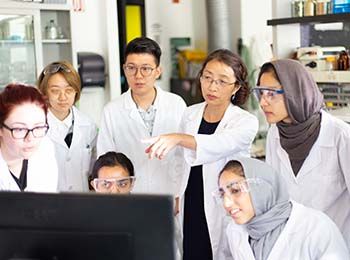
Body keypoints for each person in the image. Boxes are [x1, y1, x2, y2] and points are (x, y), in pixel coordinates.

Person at [145, 49, 259, 260]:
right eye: (207, 77)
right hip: (191, 199)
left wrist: (177, 137)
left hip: (225, 203)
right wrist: (177, 194)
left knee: (219, 250)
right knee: (192, 250)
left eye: (222, 81)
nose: (212, 86)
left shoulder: (245, 122)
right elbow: (180, 160)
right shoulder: (190, 113)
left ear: (236, 87)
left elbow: (218, 144)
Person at [252, 59, 350, 248]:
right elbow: (277, 196)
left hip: (335, 247)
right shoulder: (275, 134)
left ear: (295, 91)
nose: (263, 102)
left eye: (271, 93)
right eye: (261, 93)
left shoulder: (340, 136)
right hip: (292, 246)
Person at [97, 37, 186, 195]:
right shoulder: (111, 111)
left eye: (146, 69)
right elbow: (106, 164)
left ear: (158, 71)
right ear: (124, 69)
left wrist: (179, 193)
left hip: (171, 194)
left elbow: (185, 156)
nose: (138, 75)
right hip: (129, 198)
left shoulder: (177, 104)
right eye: (131, 68)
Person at [216, 158, 349, 260]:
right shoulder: (234, 231)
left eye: (235, 190)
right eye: (222, 194)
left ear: (261, 188)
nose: (226, 204)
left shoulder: (315, 227)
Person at [37, 61, 98, 192]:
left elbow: (94, 172)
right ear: (44, 93)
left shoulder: (88, 126)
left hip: (81, 202)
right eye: (55, 91)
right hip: (47, 203)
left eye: (69, 90)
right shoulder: (35, 127)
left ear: (76, 91)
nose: (63, 97)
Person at [0, 83, 58, 192]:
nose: (30, 139)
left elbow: (48, 202)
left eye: (38, 127)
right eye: (20, 129)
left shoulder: (45, 149)